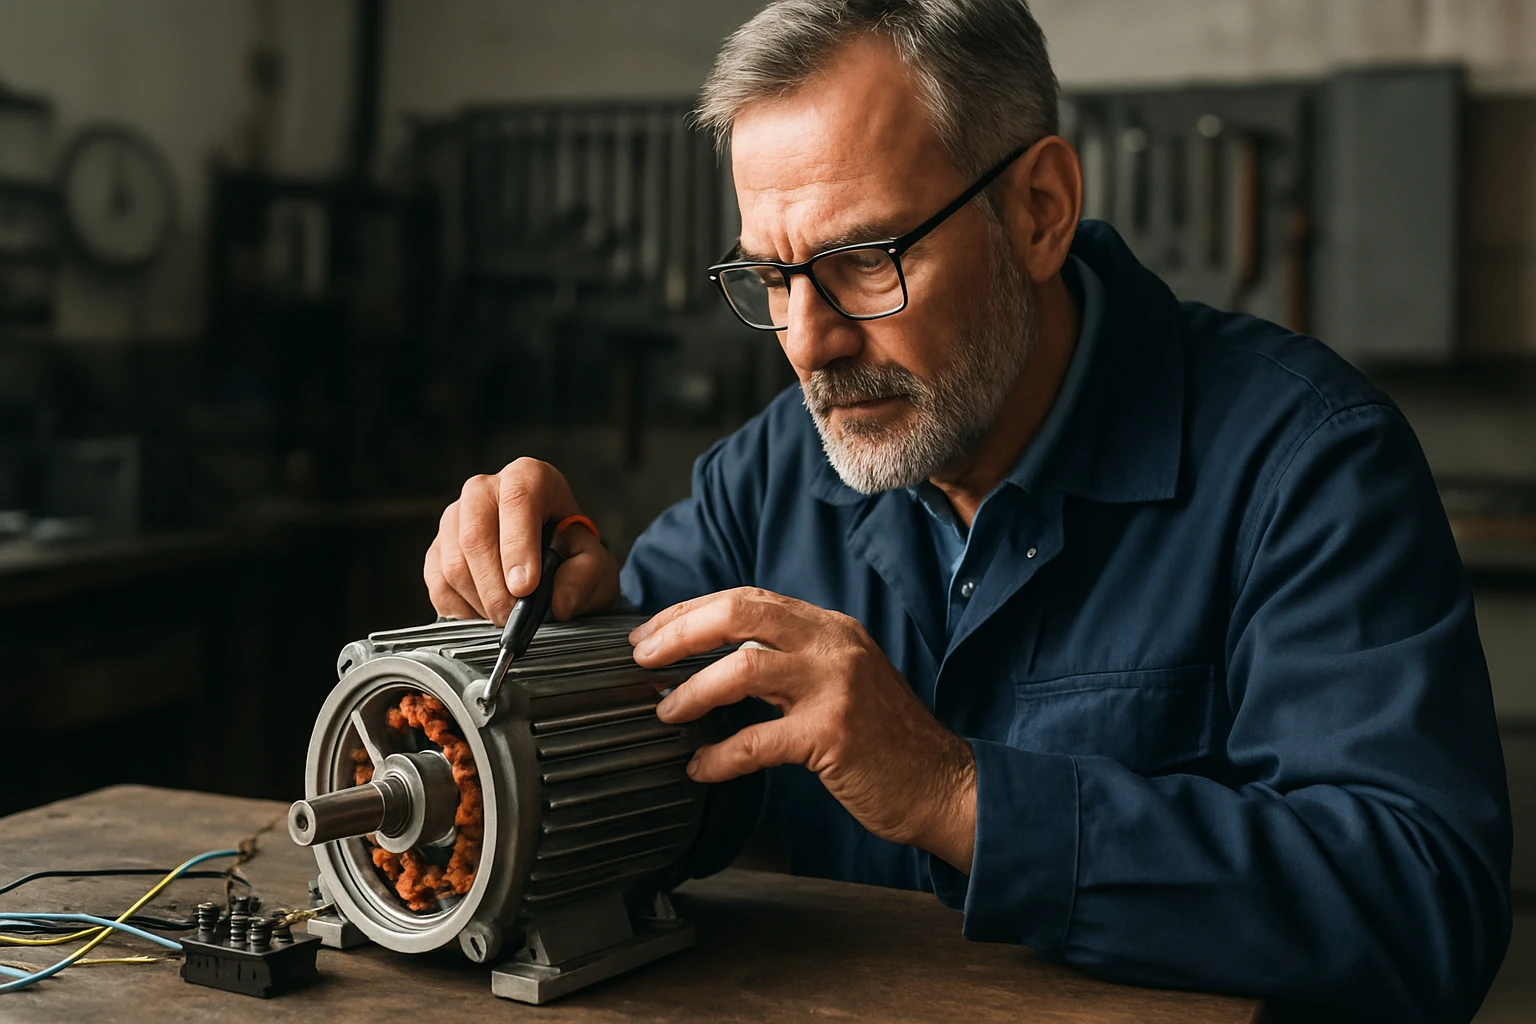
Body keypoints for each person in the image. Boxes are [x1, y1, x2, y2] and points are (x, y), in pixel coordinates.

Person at [422, 2, 1512, 1020]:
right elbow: (655, 749)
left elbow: (1423, 907)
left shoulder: (1306, 463)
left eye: (864, 261)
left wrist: (955, 794)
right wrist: (558, 621)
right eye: (772, 278)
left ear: (1039, 212)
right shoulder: (768, 478)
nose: (808, 343)